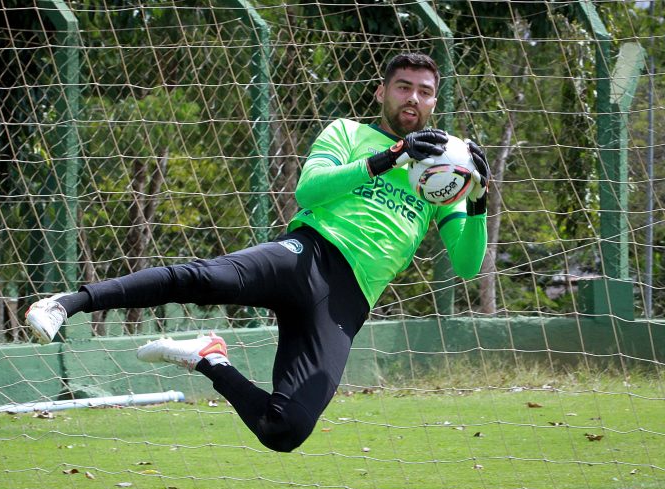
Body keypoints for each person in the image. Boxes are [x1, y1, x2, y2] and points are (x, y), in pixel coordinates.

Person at [25, 52, 490, 453]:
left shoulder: (443, 174)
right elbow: (309, 191)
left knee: (285, 430)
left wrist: (480, 198)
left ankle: (208, 358)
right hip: (306, 256)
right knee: (204, 279)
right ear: (381, 92)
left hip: (348, 303)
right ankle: (66, 303)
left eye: (424, 92)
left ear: (434, 101)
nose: (412, 98)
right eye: (403, 87)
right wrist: (388, 157)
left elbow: (467, 265)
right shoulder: (348, 133)